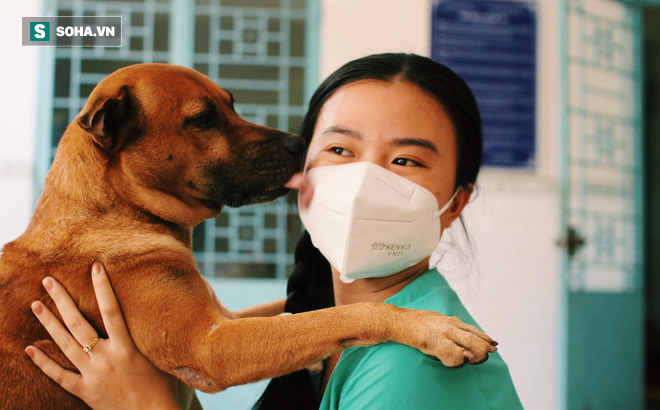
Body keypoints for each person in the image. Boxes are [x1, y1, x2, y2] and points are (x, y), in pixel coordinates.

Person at [26, 53, 522, 409]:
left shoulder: (415, 370)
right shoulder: (100, 264)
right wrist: (373, 319)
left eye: (405, 159)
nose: (364, 181)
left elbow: (212, 348)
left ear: (457, 201)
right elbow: (215, 344)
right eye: (342, 151)